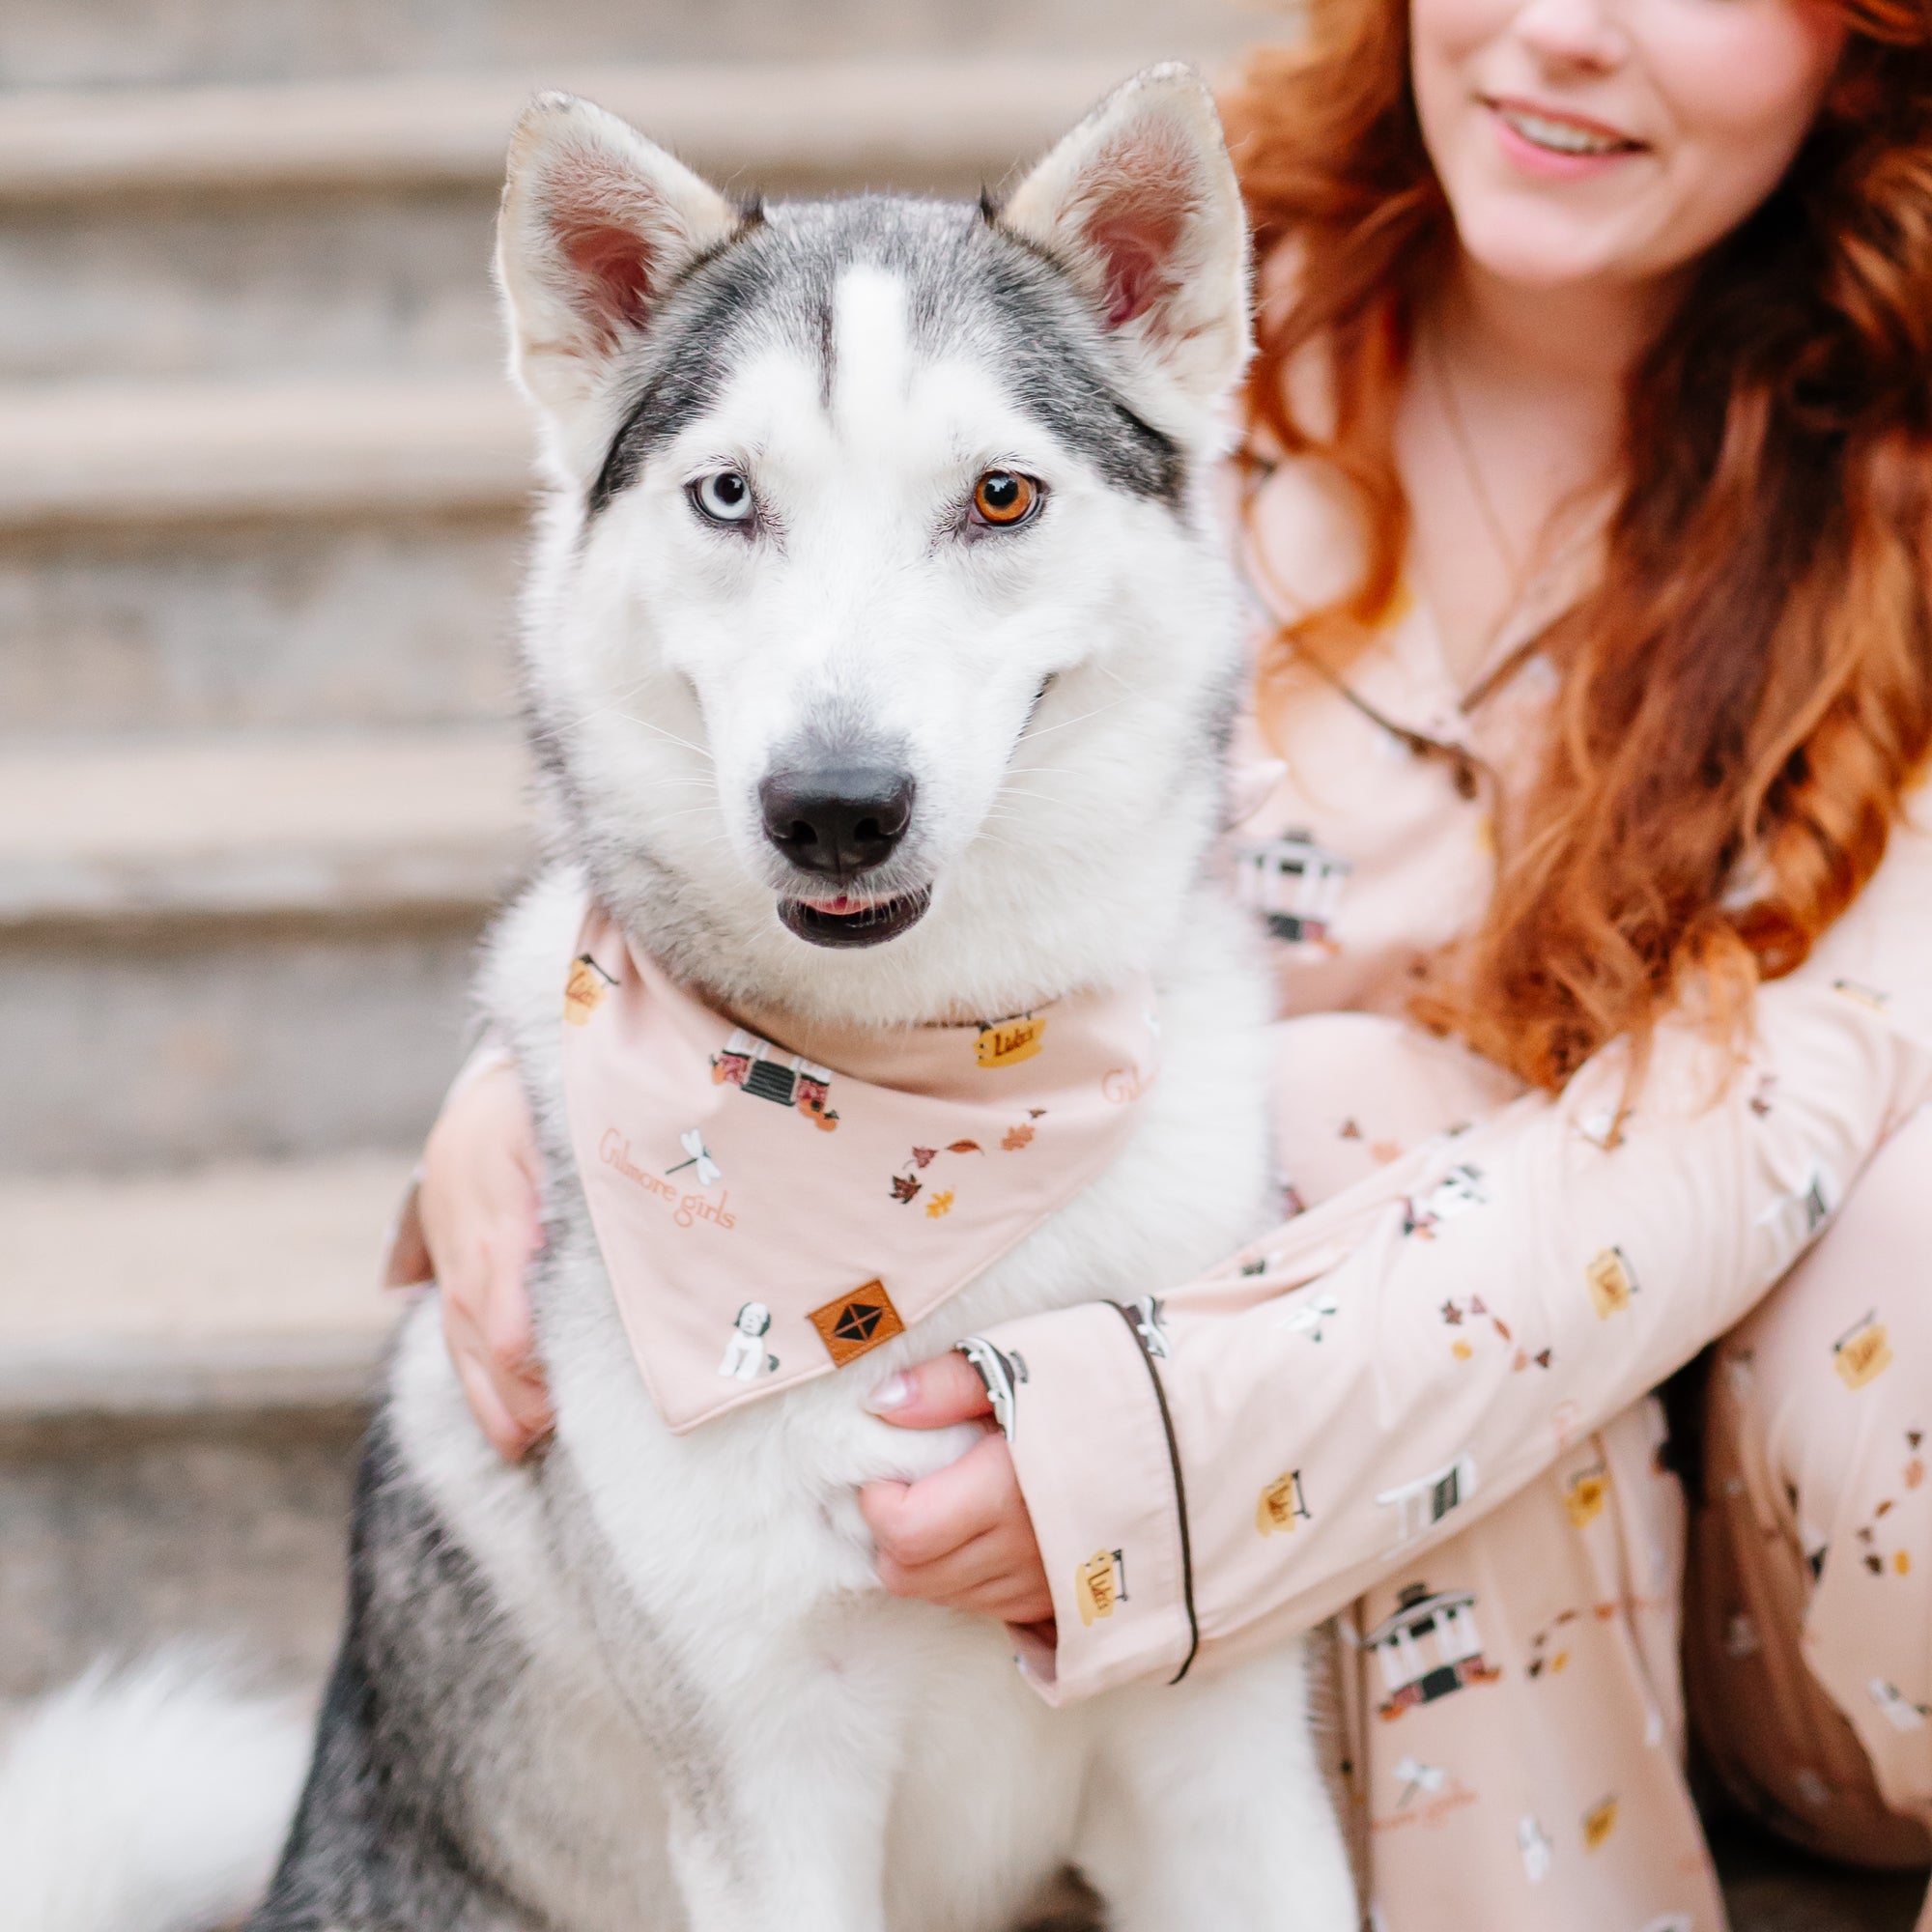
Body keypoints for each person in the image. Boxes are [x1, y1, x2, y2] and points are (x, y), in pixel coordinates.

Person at [397, 0, 1932, 1919]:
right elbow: (741, 660)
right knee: (1332, 1111)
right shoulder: (1104, 309)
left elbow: (1801, 1082)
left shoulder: (1894, 486)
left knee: (1468, 1129)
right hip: (1405, 1554)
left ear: (1866, 38)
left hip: (1791, 1554)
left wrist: (1187, 1432)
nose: (1558, 30)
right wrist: (545, 1041)